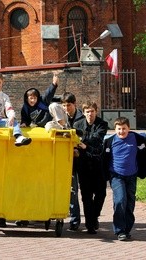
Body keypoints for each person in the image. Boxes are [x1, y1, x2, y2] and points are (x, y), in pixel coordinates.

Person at [102, 117, 146, 241]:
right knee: (120, 200)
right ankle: (120, 230)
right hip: (116, 176)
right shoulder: (109, 141)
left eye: (124, 129)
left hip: (131, 176)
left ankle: (126, 229)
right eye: (119, 129)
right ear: (115, 129)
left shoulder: (137, 138)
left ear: (129, 128)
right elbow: (98, 152)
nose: (121, 131)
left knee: (130, 202)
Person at [73, 101, 108, 234]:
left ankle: (94, 216)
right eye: (87, 112)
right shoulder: (77, 125)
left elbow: (97, 139)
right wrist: (79, 145)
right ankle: (90, 225)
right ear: (84, 113)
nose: (90, 114)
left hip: (98, 163)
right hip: (83, 165)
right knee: (86, 196)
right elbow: (74, 140)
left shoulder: (102, 124)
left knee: (101, 194)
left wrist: (84, 145)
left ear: (96, 111)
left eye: (92, 111)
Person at [61, 92, 84, 231]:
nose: (66, 108)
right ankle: (75, 221)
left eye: (68, 105)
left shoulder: (82, 118)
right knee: (72, 190)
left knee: (86, 192)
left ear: (74, 104)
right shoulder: (60, 117)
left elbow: (83, 136)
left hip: (81, 157)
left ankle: (91, 220)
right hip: (66, 158)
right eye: (63, 105)